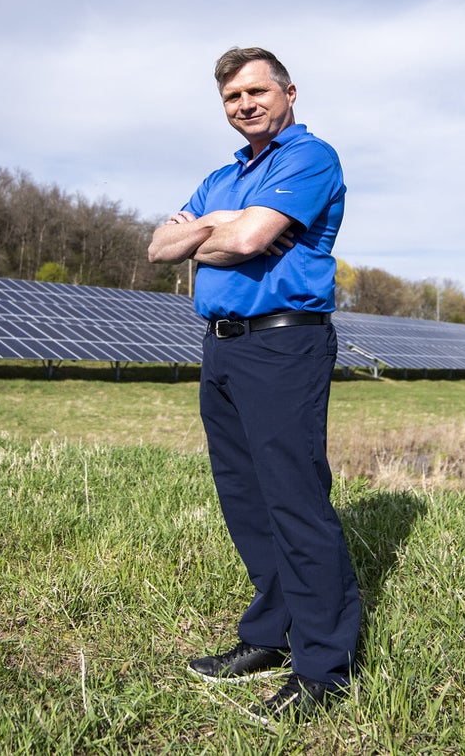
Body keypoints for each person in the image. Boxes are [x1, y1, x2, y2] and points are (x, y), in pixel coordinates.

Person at [147, 47, 360, 721]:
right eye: (232, 97)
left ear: (289, 92)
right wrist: (225, 229)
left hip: (283, 342)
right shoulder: (222, 176)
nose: (244, 105)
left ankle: (326, 669)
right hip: (222, 350)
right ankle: (268, 637)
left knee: (295, 500)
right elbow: (159, 248)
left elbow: (244, 243)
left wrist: (212, 236)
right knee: (246, 500)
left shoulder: (309, 158)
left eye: (255, 91)